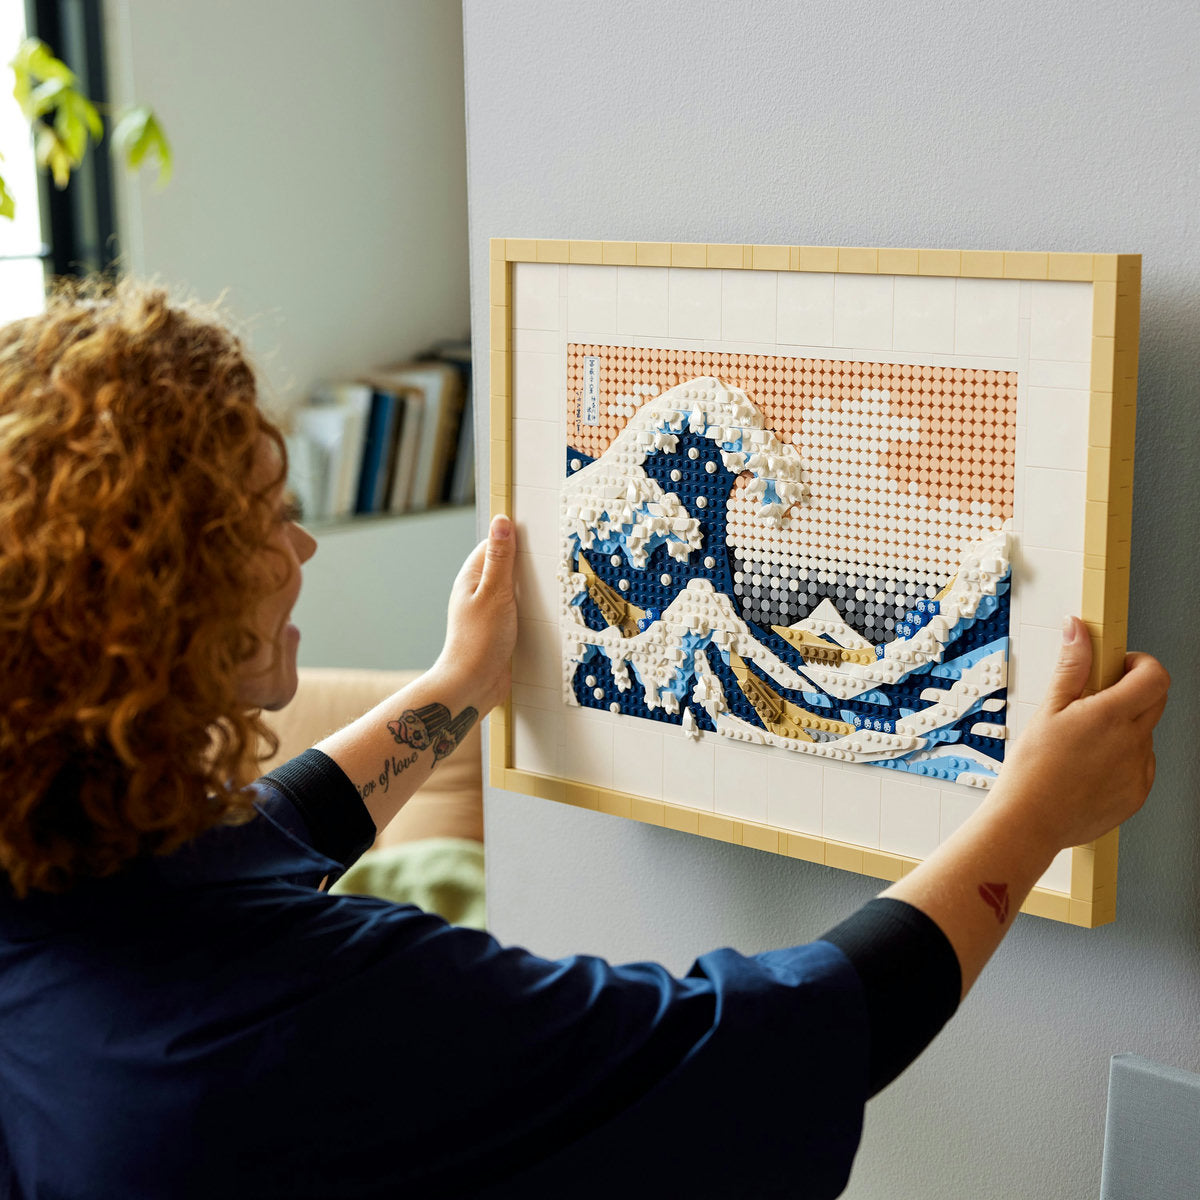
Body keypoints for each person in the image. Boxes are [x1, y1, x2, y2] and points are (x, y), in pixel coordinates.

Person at [0, 280, 1168, 1199]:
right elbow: (769, 1048)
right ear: (163, 610)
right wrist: (1035, 815)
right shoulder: (306, 1018)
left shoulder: (56, 884)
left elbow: (251, 847)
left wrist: (458, 688)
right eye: (266, 518)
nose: (302, 550)